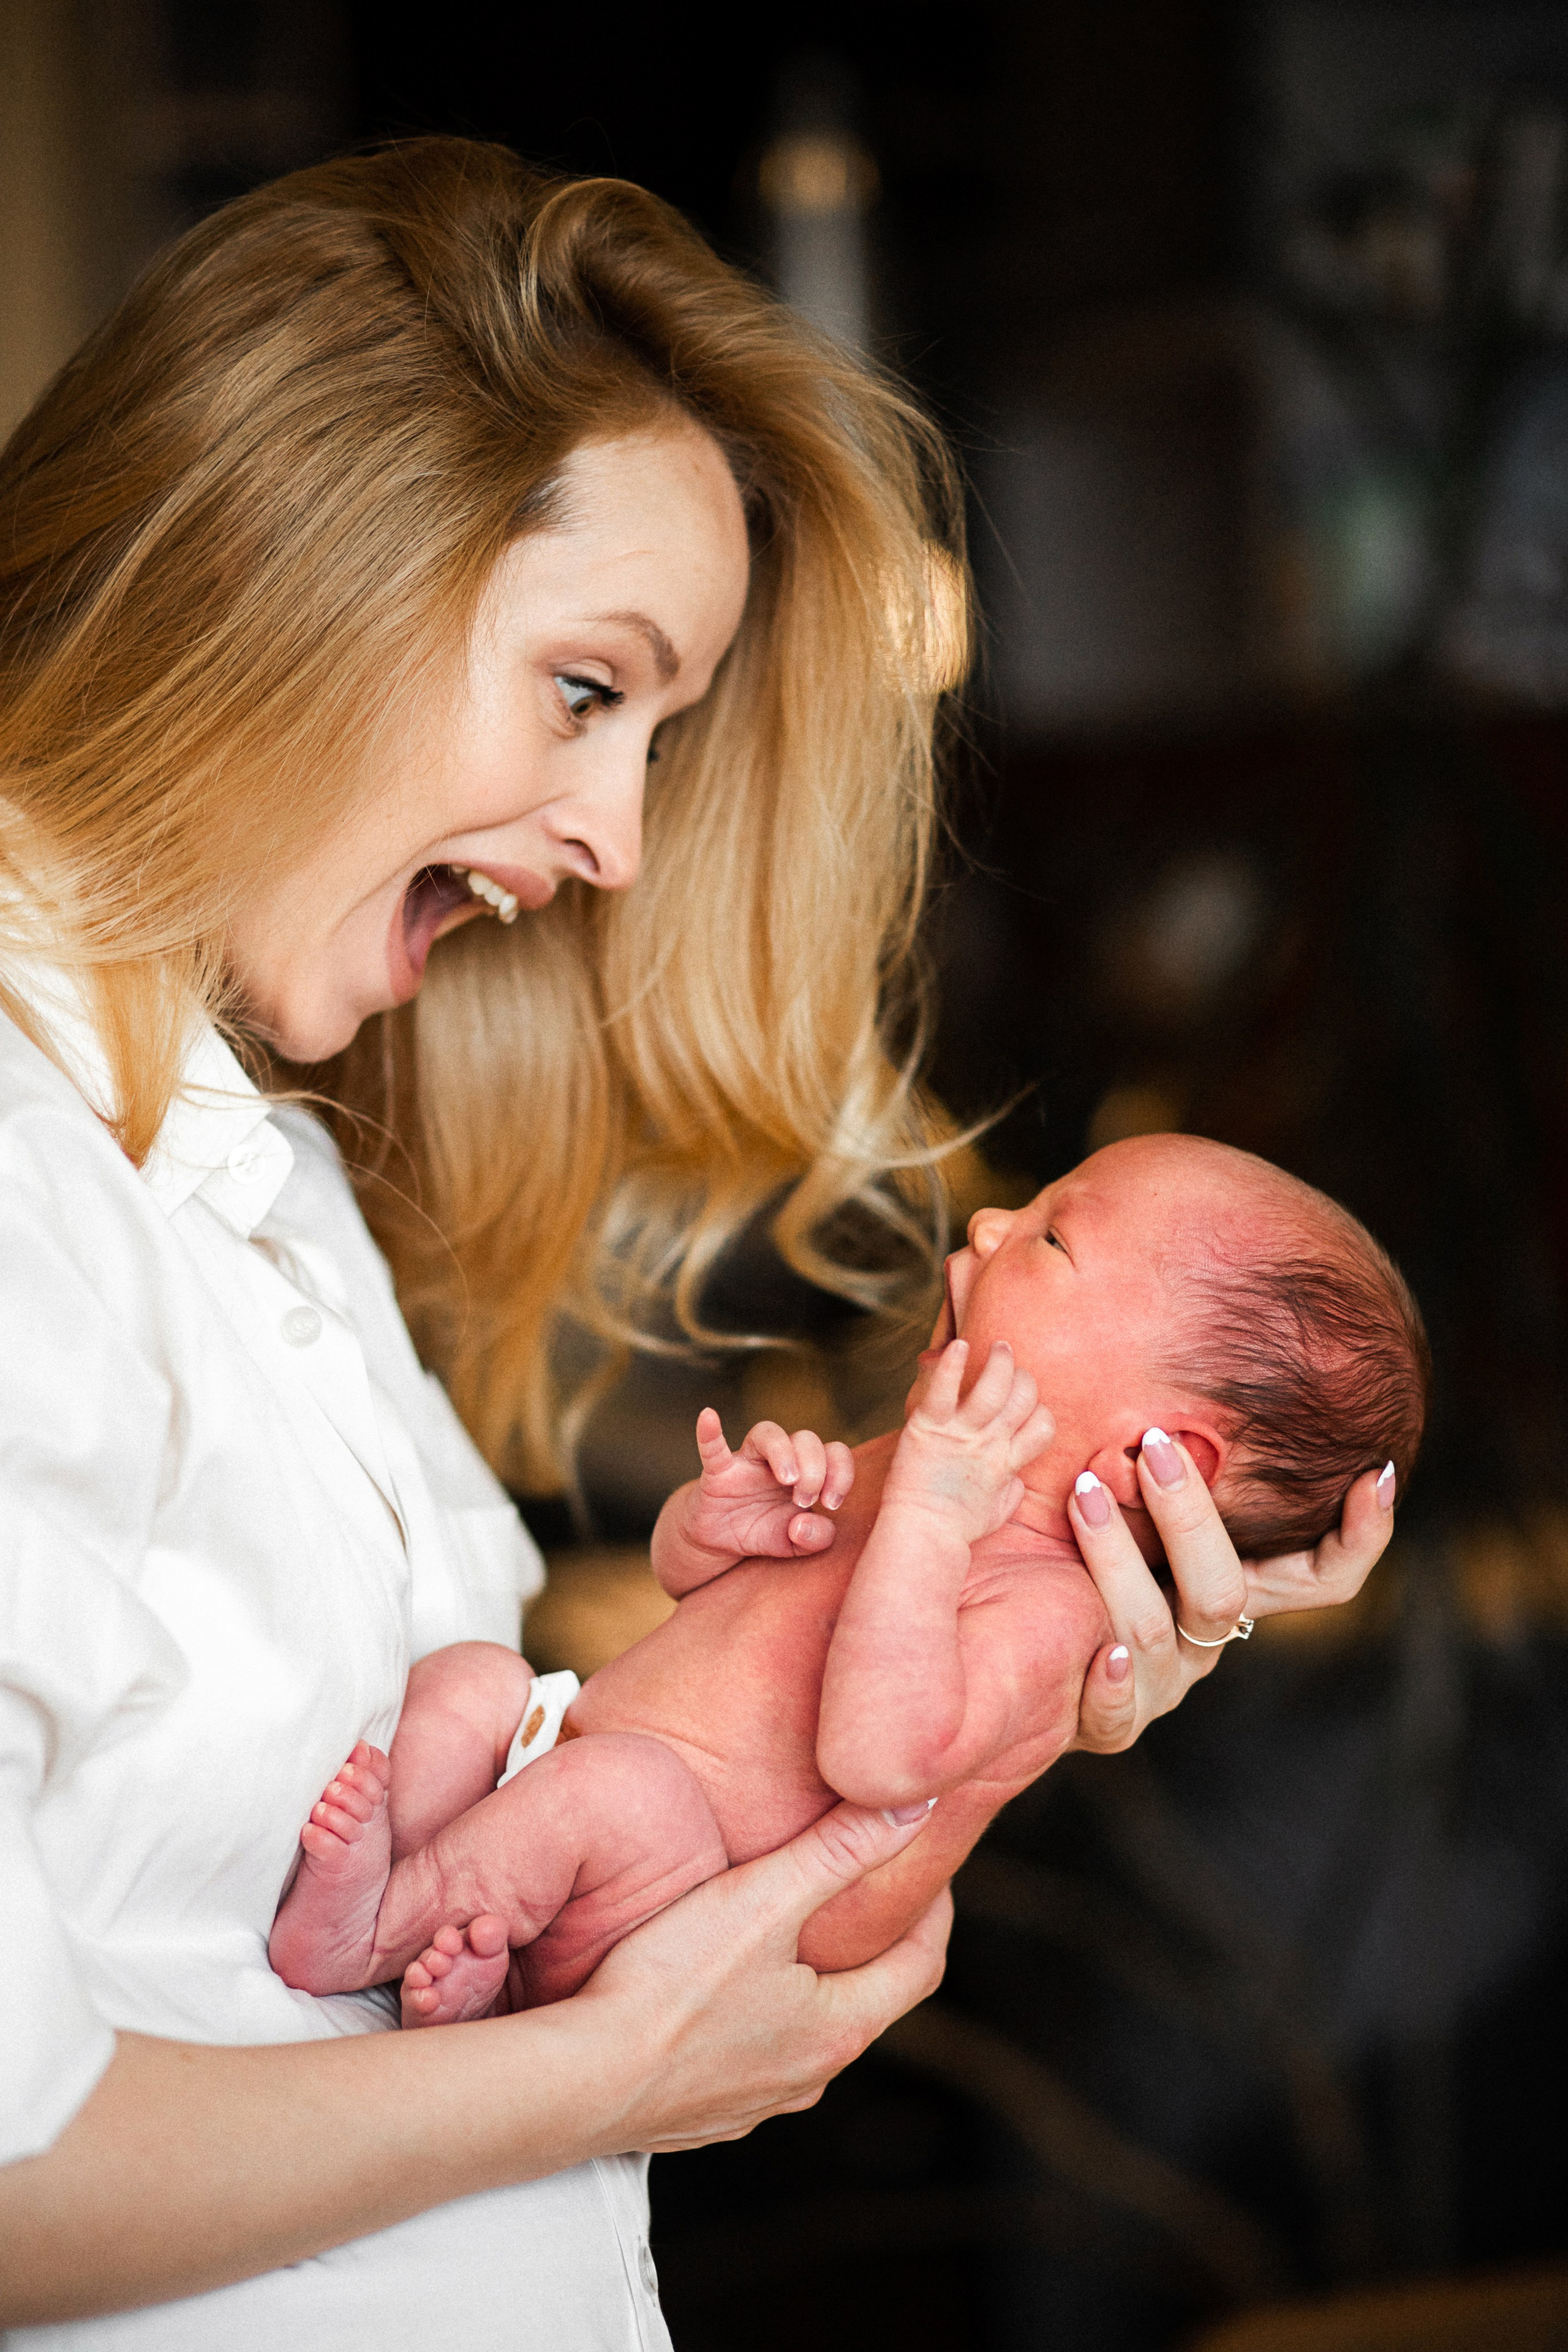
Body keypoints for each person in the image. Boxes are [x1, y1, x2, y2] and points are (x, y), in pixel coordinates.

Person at [0, 141, 1395, 2347]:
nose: (622, 843)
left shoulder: (250, 1169)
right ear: (291, 565)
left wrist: (1019, 1640)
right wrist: (620, 2073)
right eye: (588, 690)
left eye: (659, 734)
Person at [265, 1133, 1427, 2025]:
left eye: (1053, 1241)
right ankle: (445, 1910)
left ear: (1156, 1455)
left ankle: (374, 1932)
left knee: (619, 1792)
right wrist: (716, 1525)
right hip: (581, 1765)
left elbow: (878, 1759)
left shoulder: (1051, 1611)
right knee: (475, 1678)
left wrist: (925, 1514)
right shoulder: (920, 1462)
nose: (990, 1221)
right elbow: (696, 1596)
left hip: (687, 1900)